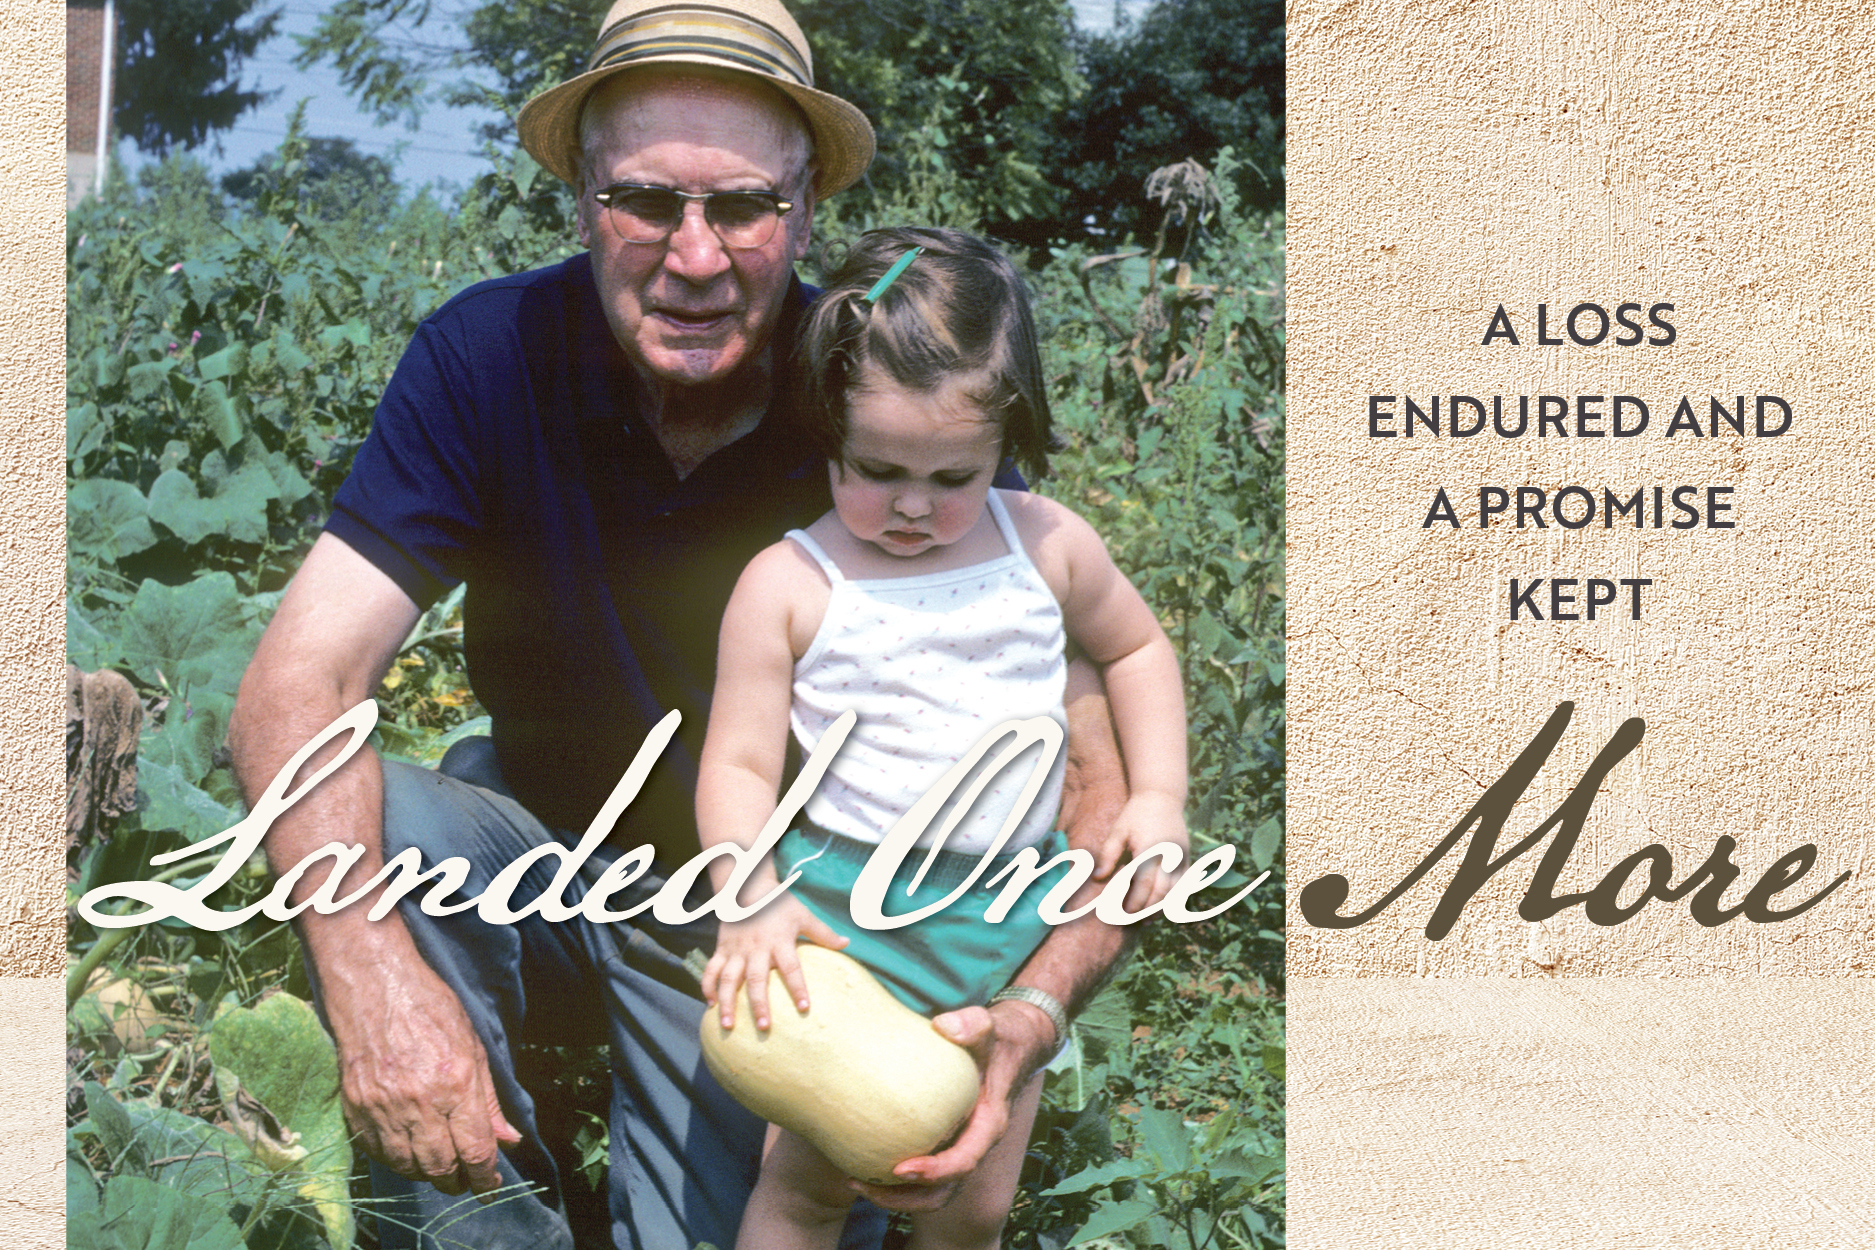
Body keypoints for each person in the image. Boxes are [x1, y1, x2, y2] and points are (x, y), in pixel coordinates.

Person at [226, 2, 1132, 1247]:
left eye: (745, 207)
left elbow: (1096, 781)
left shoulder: (890, 407)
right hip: (537, 847)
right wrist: (375, 982)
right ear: (582, 203)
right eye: (646, 201)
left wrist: (1031, 1007)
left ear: (805, 214)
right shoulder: (489, 355)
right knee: (380, 827)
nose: (694, 257)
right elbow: (295, 688)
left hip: (775, 925)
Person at [694, 229, 1189, 1250]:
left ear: (1005, 440)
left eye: (955, 475)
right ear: (827, 428)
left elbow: (1137, 648)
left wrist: (1159, 795)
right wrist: (748, 895)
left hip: (1006, 916)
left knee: (975, 1204)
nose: (914, 504)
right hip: (848, 927)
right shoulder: (790, 584)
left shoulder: (1045, 544)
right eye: (876, 469)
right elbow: (738, 763)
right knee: (806, 1191)